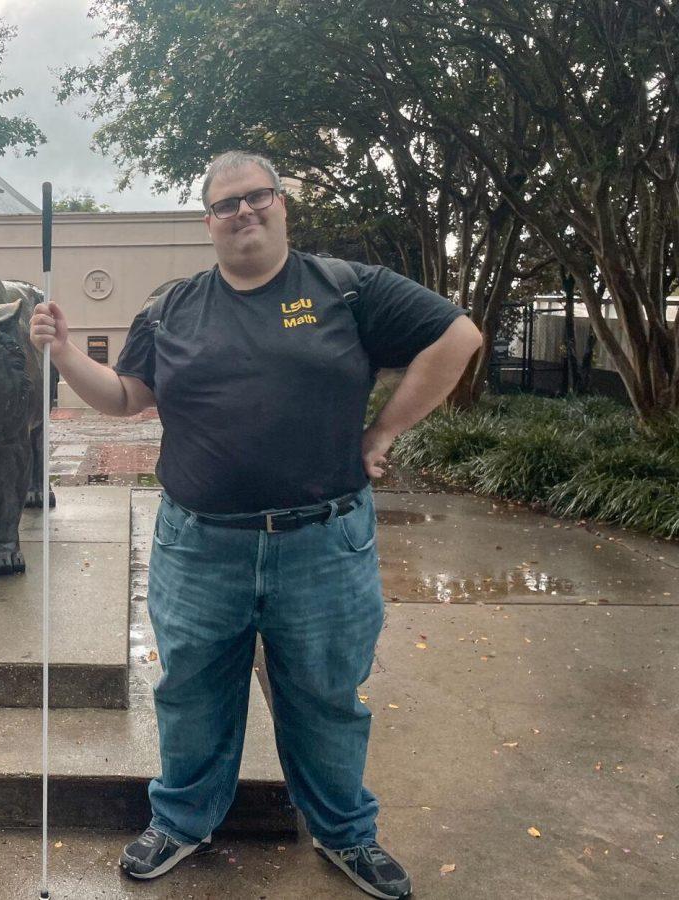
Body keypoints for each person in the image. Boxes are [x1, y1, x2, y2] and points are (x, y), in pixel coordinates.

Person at [29, 150, 482, 900]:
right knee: (193, 691)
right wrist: (66, 351)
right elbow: (124, 398)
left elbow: (457, 338)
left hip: (325, 543)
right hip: (200, 544)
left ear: (281, 205)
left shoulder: (346, 288)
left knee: (328, 694)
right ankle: (181, 821)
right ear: (207, 222)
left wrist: (385, 433)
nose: (243, 212)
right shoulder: (173, 307)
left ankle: (344, 834)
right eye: (225, 204)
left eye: (256, 197)